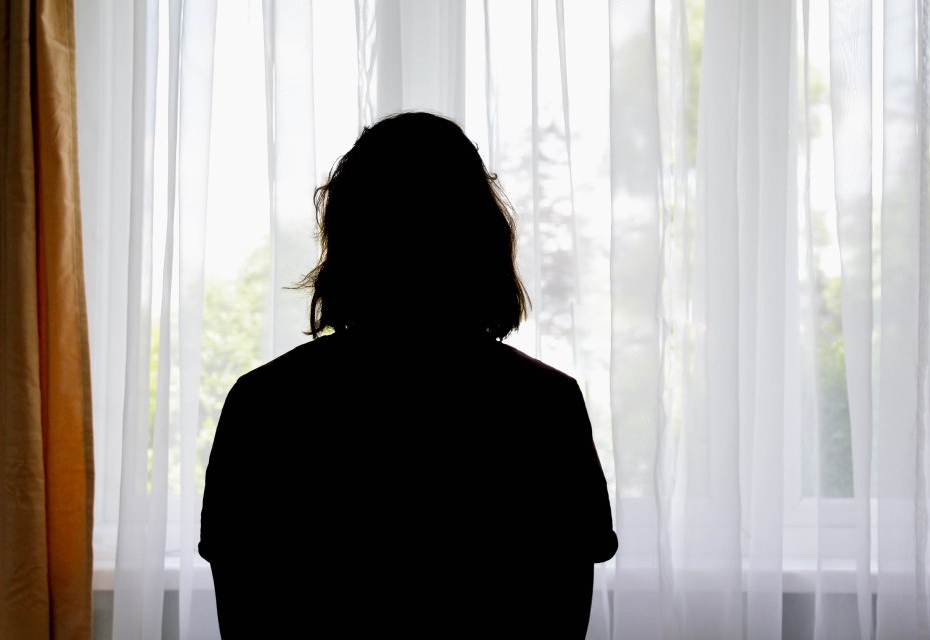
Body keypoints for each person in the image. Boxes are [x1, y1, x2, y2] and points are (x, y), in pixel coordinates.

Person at [199, 111, 617, 638]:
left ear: (347, 239)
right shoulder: (546, 405)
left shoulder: (263, 405)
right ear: (482, 239)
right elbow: (559, 619)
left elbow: (246, 619)